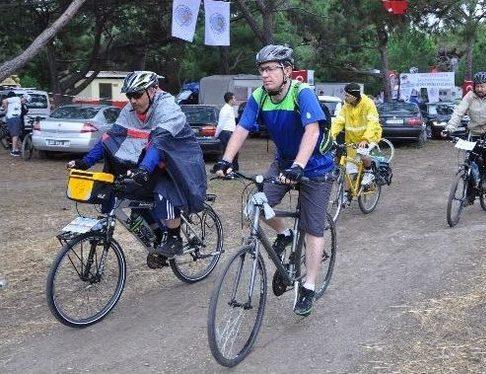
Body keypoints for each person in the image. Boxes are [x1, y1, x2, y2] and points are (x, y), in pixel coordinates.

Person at [212, 44, 334, 316]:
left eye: (270, 69)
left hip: (315, 165)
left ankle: (309, 286)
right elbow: (242, 128)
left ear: (287, 70)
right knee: (256, 205)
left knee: (314, 228)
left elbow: (312, 132)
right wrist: (226, 159)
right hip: (285, 162)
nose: (265, 75)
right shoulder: (259, 96)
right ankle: (285, 233)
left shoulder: (302, 93)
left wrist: (299, 166)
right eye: (262, 70)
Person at [67, 71, 207, 268]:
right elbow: (111, 138)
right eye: (129, 96)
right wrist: (85, 162)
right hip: (150, 160)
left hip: (177, 160)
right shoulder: (130, 110)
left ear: (153, 90)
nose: (132, 100)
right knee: (133, 201)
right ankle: (159, 236)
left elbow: (159, 143)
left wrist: (143, 169)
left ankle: (175, 239)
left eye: (137, 95)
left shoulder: (167, 107)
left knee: (163, 192)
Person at [444, 71, 486, 198]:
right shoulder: (470, 96)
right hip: (474, 131)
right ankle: (470, 195)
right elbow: (459, 112)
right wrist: (449, 128)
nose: (479, 89)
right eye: (477, 86)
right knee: (471, 160)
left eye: (482, 86)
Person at [330, 82, 382, 201]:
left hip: (370, 136)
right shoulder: (346, 106)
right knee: (349, 169)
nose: (345, 97)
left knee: (363, 153)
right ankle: (347, 195)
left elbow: (372, 122)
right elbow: (338, 121)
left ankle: (369, 171)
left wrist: (365, 138)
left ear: (354, 96)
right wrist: (331, 136)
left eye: (347, 95)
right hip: (352, 139)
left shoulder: (368, 103)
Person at [215, 92, 239, 170]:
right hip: (226, 133)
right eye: (234, 98)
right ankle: (223, 169)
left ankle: (232, 168)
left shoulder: (230, 109)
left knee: (234, 151)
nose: (235, 100)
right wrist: (216, 134)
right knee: (227, 152)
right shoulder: (225, 109)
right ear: (230, 100)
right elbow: (221, 124)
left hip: (231, 133)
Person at [1, 92, 24, 156]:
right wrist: (6, 109)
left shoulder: (13, 103)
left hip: (10, 118)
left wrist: (6, 108)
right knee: (15, 135)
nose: (24, 102)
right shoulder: (16, 98)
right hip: (14, 118)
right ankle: (13, 151)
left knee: (14, 134)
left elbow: (4, 103)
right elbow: (4, 101)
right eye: (25, 100)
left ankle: (16, 149)